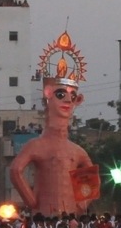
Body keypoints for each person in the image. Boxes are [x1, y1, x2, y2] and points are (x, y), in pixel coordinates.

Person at [9, 33, 99, 216]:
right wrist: (32, 201)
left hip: (72, 217)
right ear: (48, 94)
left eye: (72, 96)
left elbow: (93, 178)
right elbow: (15, 170)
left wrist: (83, 203)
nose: (67, 99)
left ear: (78, 101)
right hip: (45, 215)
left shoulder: (78, 151)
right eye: (60, 94)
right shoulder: (36, 145)